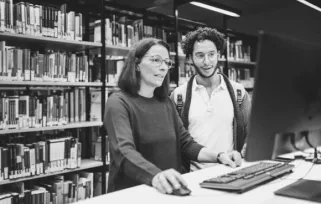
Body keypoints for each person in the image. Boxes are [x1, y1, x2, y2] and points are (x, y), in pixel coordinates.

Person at [104, 38, 242, 194]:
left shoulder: (166, 103)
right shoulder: (118, 102)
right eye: (156, 60)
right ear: (136, 64)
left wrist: (219, 156)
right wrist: (156, 176)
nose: (163, 68)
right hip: (133, 194)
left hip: (168, 191)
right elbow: (123, 151)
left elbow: (185, 144)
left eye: (167, 62)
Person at [170, 27, 251, 172]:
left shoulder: (239, 92)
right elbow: (178, 142)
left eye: (211, 54)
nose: (207, 61)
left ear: (218, 55)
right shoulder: (178, 96)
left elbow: (250, 134)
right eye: (200, 55)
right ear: (190, 58)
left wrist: (242, 156)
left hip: (230, 171)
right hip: (193, 176)